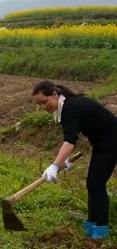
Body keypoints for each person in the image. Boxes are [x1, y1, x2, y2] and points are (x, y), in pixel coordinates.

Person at [32, 80, 117, 239]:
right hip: (102, 144)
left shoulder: (70, 108)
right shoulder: (66, 105)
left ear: (55, 95)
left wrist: (55, 166)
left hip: (112, 143)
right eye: (39, 104)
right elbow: (71, 138)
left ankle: (101, 231)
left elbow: (70, 141)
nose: (43, 107)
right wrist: (65, 161)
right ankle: (92, 225)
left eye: (44, 101)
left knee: (96, 184)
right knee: (93, 184)